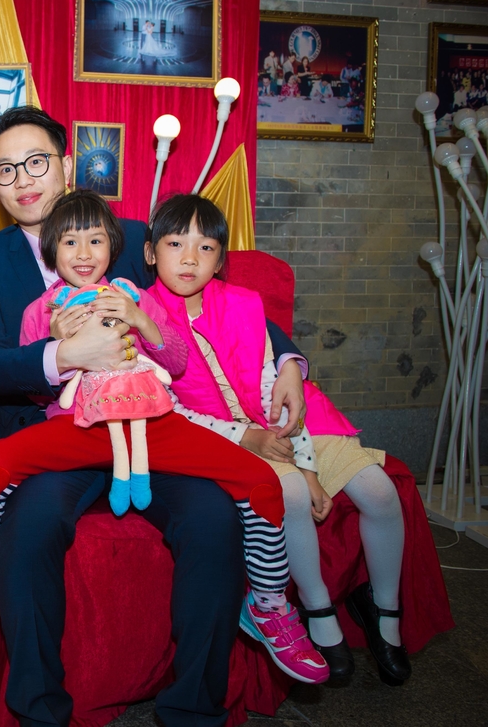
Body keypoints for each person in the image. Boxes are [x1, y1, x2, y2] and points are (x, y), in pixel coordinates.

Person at [0, 105, 309, 726]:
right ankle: (37, 713)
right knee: (29, 527)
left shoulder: (127, 235)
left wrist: (286, 358)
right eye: (5, 170)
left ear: (66, 164)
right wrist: (66, 355)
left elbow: (207, 295)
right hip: (57, 431)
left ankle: (195, 710)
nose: (23, 179)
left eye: (36, 161)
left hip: (151, 425)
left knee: (213, 521)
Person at [147, 194, 409, 688]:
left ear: (220, 261)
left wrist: (308, 466)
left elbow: (277, 390)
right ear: (150, 252)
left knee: (379, 490)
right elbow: (168, 409)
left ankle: (386, 610)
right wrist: (247, 437)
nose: (189, 258)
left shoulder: (243, 305)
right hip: (220, 438)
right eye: (175, 244)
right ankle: (317, 608)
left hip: (287, 425)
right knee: (288, 495)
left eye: (205, 248)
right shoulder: (145, 317)